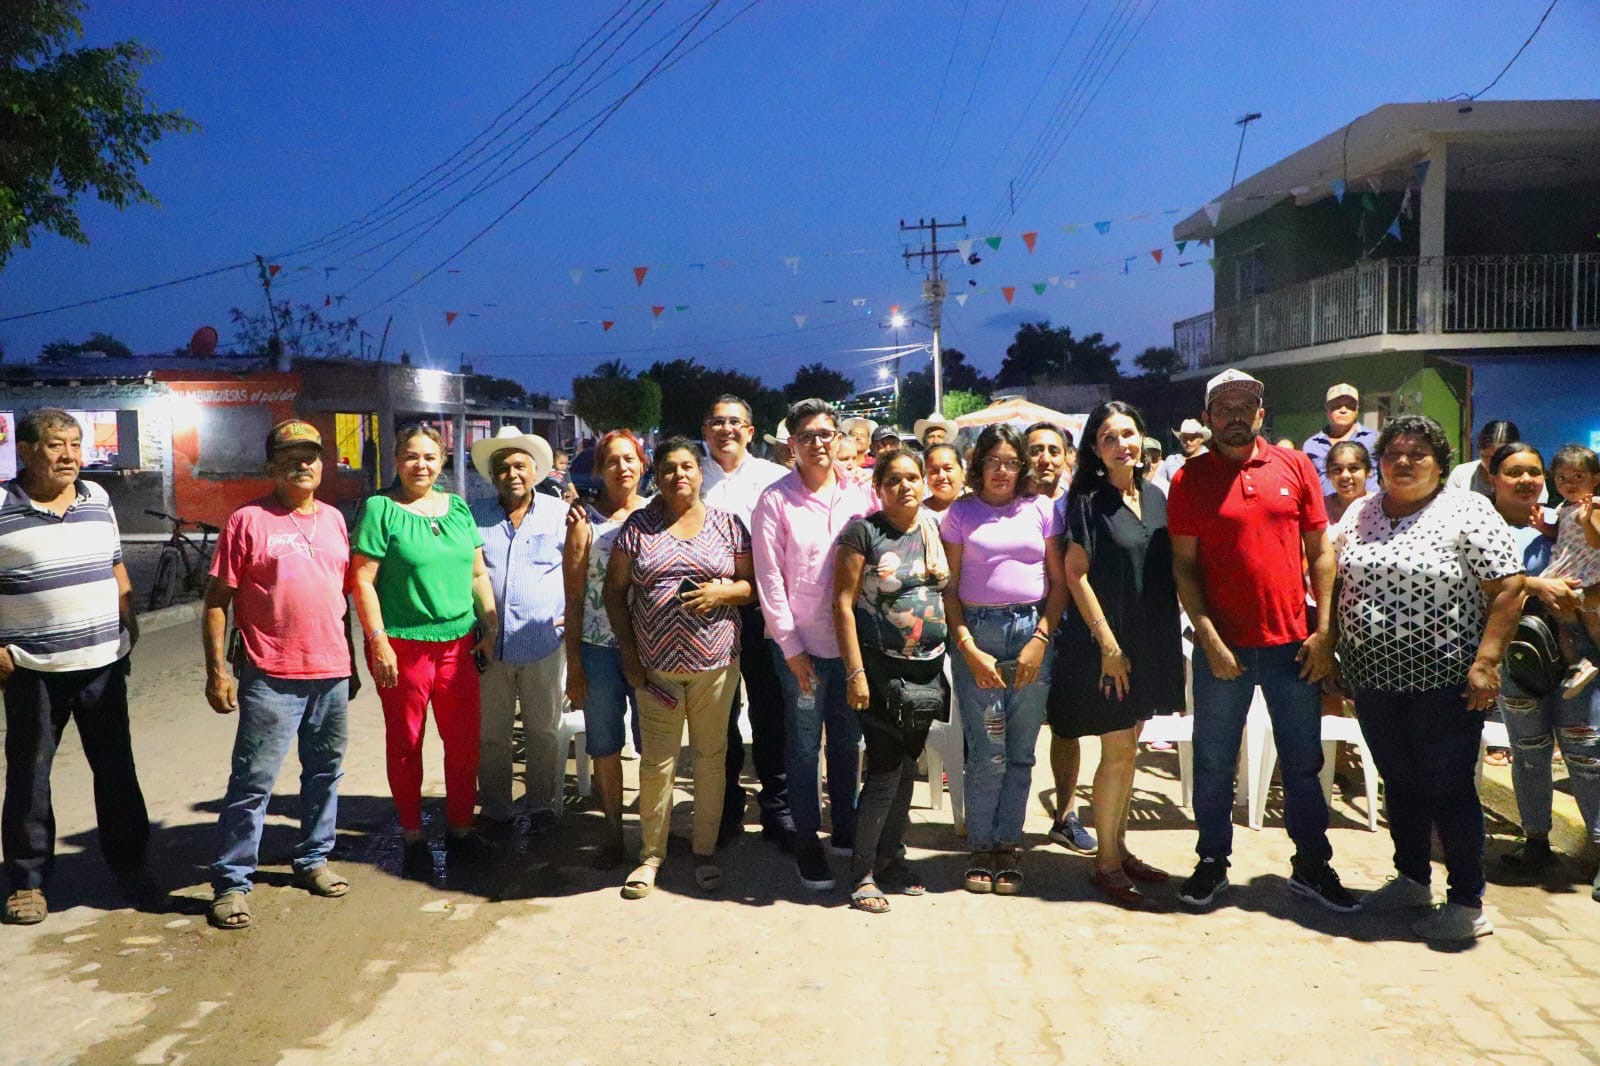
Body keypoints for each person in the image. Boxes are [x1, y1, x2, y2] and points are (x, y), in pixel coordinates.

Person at [1329, 415, 1524, 942]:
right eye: (1393, 453)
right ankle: (1412, 879)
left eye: (1418, 454)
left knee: (1448, 786)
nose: (1404, 462)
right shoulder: (1362, 510)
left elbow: (1508, 588)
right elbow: (1336, 578)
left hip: (1446, 680)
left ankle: (1467, 901)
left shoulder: (1467, 510)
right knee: (1400, 780)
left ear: (1439, 463)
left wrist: (1486, 663)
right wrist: (1331, 643)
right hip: (1373, 677)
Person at [1167, 369, 1355, 912]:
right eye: (1223, 408)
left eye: (1244, 406)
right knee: (1213, 762)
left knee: (1302, 764)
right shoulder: (1189, 479)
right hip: (1222, 649)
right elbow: (1184, 567)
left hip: (1292, 645)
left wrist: (1325, 632)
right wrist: (1208, 638)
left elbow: (1321, 553)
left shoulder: (1295, 466)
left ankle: (1312, 864)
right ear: (1208, 418)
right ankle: (1211, 861)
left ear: (1260, 414)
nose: (1234, 416)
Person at [203, 420, 356, 930]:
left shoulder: (334, 520)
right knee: (253, 782)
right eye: (290, 457)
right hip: (270, 673)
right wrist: (217, 671)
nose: (302, 464)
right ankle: (232, 881)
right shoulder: (247, 520)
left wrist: (352, 662)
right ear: (271, 466)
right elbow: (217, 602)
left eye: (310, 455)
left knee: (325, 773)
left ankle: (313, 858)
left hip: (331, 671)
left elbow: (340, 600)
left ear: (322, 464)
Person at [1, 409, 146, 926]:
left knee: (116, 769)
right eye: (55, 445)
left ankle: (132, 868)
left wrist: (129, 620)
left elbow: (114, 563)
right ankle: (27, 882)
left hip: (101, 663)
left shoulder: (97, 498)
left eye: (75, 445)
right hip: (32, 668)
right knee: (30, 775)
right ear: (25, 450)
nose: (69, 456)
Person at [605, 438, 755, 899]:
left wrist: (722, 593)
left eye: (688, 466)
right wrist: (630, 657)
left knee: (711, 759)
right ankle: (651, 855)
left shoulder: (728, 525)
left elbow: (752, 586)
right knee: (657, 763)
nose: (679, 475)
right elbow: (615, 592)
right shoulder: (638, 526)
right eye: (669, 468)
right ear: (658, 476)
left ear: (700, 472)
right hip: (656, 670)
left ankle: (704, 851)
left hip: (717, 666)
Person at [1048, 402, 1184, 907]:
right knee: (1119, 750)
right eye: (1109, 437)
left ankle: (1120, 847)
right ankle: (1105, 861)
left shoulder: (1156, 496)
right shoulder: (1086, 500)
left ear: (1142, 437)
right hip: (1107, 646)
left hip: (1151, 642)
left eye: (1128, 433)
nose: (1121, 444)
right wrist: (1108, 645)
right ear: (1095, 449)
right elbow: (1075, 575)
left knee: (1130, 750)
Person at [351, 424, 499, 878]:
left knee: (464, 742)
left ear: (442, 460)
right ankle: (412, 835)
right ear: (397, 461)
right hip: (404, 646)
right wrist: (378, 639)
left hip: (458, 645)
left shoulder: (457, 509)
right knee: (406, 744)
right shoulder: (380, 509)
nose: (422, 465)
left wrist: (490, 625)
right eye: (412, 456)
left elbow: (477, 573)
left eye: (430, 457)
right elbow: (362, 580)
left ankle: (460, 828)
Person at [751, 398, 876, 892]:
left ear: (839, 439)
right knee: (804, 746)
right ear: (793, 444)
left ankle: (845, 827)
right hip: (799, 647)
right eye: (807, 436)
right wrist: (791, 647)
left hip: (851, 645)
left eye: (826, 434)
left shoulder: (860, 495)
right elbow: (768, 578)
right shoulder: (775, 500)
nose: (818, 444)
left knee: (847, 740)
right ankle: (807, 838)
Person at [942, 424, 1068, 896]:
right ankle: (981, 846)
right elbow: (949, 590)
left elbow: (1059, 583)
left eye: (1011, 462)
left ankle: (1007, 844)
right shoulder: (960, 513)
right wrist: (968, 647)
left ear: (1023, 467)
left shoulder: (1041, 509)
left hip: (1031, 632)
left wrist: (1040, 638)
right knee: (987, 751)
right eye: (993, 461)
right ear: (978, 465)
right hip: (978, 634)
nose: (1002, 470)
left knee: (1020, 752)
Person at [833, 447, 949, 913]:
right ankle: (862, 872)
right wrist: (856, 672)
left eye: (913, 478)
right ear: (878, 488)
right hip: (880, 671)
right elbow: (842, 604)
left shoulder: (933, 528)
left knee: (906, 768)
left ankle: (891, 858)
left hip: (927, 669)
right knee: (884, 770)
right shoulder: (864, 533)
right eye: (894, 480)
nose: (905, 486)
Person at [1486, 443, 1600, 897]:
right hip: (1518, 655)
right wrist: (1535, 587)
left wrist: (1582, 599)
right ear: (1493, 477)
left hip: (1579, 654)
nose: (1526, 480)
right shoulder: (1483, 527)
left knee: (1587, 753)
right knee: (1529, 751)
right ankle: (1535, 841)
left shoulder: (1568, 519)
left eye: (1533, 471)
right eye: (1514, 472)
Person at [698, 396, 792, 849]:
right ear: (705, 430)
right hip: (711, 612)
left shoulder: (774, 479)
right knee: (720, 714)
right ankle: (726, 805)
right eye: (717, 422)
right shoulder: (692, 476)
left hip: (763, 610)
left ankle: (777, 806)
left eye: (735, 422)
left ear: (750, 431)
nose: (726, 430)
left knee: (770, 711)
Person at [469, 426, 567, 837]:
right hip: (489, 646)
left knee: (543, 730)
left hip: (543, 642)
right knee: (492, 734)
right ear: (493, 476)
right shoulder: (473, 515)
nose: (512, 474)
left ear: (535, 471)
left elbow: (577, 568)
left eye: (520, 466)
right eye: (503, 468)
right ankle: (496, 809)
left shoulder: (559, 514)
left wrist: (569, 617)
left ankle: (541, 805)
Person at [562, 429, 650, 869]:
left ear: (642, 464)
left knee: (654, 745)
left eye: (630, 459)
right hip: (598, 651)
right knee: (604, 744)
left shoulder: (657, 516)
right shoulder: (584, 522)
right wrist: (574, 664)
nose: (622, 467)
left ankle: (653, 836)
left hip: (651, 650)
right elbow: (574, 598)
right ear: (599, 469)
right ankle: (613, 833)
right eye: (612, 460)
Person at [1021, 420, 1096, 854]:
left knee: (1066, 727)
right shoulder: (1007, 504)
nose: (1045, 458)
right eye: (1035, 450)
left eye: (1054, 450)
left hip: (1070, 631)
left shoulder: (1080, 505)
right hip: (1017, 629)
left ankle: (1066, 816)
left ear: (1068, 457)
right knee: (1008, 729)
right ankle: (994, 821)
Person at [1537, 445, 1600, 697]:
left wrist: (1587, 521)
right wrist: (1544, 528)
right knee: (1564, 619)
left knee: (1591, 623)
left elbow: (1596, 541)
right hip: (1570, 571)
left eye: (1578, 477)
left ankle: (1580, 663)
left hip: (1585, 572)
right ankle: (1578, 664)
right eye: (1562, 478)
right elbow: (1564, 535)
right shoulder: (1565, 507)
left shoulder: (1593, 506)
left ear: (1595, 480)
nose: (1569, 483)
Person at [1302, 383, 1379, 495]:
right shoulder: (1311, 445)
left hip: (1367, 505)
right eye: (1336, 406)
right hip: (1327, 505)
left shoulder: (1375, 439)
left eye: (1350, 406)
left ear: (1357, 409)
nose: (1343, 410)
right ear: (1327, 409)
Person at [1446, 420, 1521, 498]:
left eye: (1498, 457)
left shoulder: (1523, 478)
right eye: (1485, 456)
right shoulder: (1461, 474)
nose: (1490, 463)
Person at [1151, 418, 1209, 493]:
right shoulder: (1171, 460)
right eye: (1185, 438)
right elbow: (1160, 486)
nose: (1188, 442)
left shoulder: (1210, 460)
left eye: (1193, 438)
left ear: (1201, 438)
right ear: (1180, 438)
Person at [1323, 440, 1374, 525]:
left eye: (1353, 468)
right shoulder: (1320, 508)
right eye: (1337, 470)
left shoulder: (1382, 506)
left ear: (1368, 472)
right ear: (1328, 474)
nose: (1345, 476)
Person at [923, 442, 966, 517]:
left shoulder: (979, 509)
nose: (941, 476)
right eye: (934, 471)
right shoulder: (916, 514)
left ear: (962, 473)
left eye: (948, 468)